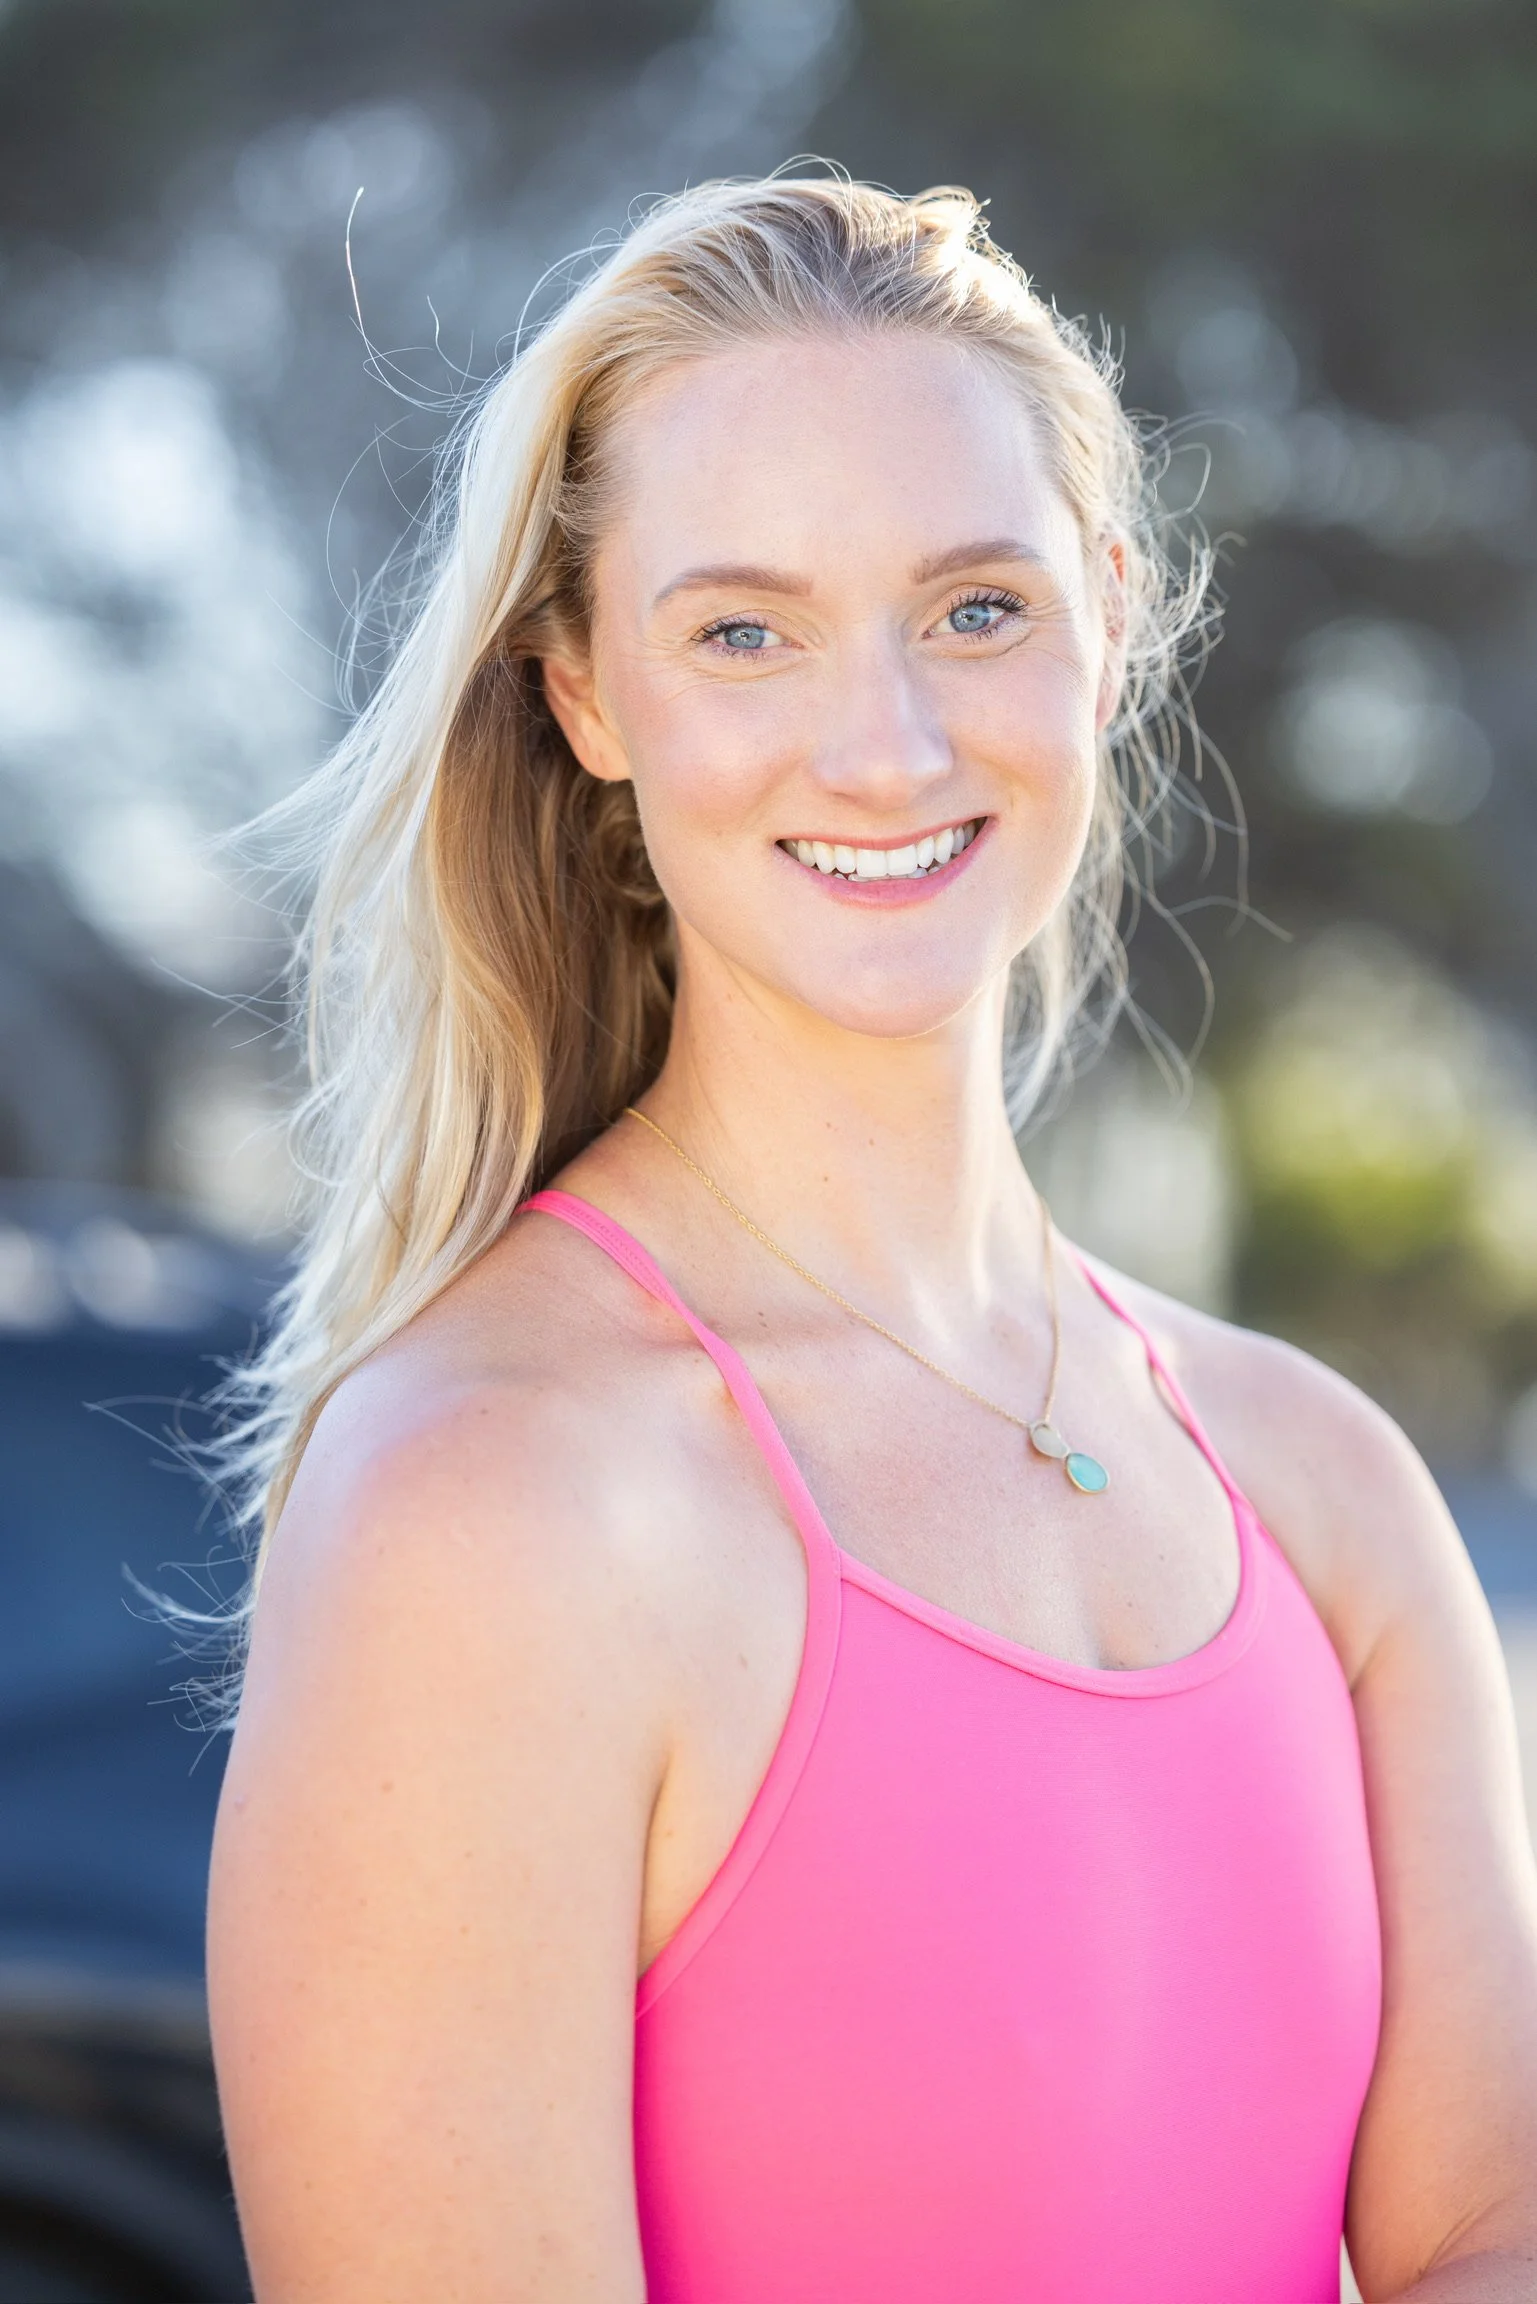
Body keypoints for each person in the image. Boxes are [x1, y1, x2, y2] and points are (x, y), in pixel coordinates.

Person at [206, 176, 1537, 2302]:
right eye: (743, 630)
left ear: (1108, 616)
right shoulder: (485, 1510)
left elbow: (1490, 2234)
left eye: (977, 607)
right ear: (587, 702)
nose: (888, 741)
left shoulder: (1327, 1488)